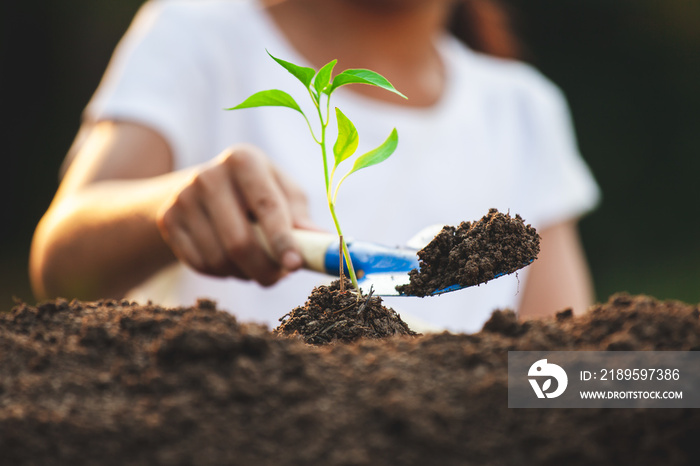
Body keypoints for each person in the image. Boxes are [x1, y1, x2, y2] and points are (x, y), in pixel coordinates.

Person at [30, 0, 600, 333]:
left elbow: (556, 368)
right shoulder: (202, 32)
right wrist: (167, 209)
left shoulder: (522, 108)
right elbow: (60, 266)